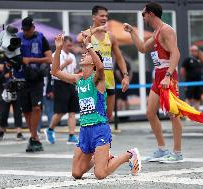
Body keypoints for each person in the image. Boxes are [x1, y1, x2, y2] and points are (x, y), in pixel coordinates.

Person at [52, 33, 141, 180]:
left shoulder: (98, 79)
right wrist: (58, 49)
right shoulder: (78, 79)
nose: (82, 54)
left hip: (99, 129)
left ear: (93, 61)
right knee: (76, 173)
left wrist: (88, 45)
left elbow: (100, 66)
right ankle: (104, 158)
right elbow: (55, 72)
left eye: (86, 54)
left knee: (100, 174)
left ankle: (129, 155)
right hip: (85, 130)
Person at [123, 2, 183, 163]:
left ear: (150, 13)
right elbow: (142, 48)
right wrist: (132, 32)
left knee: (173, 114)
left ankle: (177, 153)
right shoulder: (157, 32)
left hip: (167, 75)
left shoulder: (167, 30)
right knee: (150, 113)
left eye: (143, 14)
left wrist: (169, 75)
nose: (142, 16)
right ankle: (162, 149)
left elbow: (176, 53)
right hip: (158, 76)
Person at [77, 5, 130, 120]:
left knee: (108, 116)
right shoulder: (88, 33)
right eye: (101, 15)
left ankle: (104, 138)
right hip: (93, 80)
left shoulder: (110, 36)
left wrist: (125, 76)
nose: (104, 18)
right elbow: (78, 39)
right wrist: (95, 30)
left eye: (106, 16)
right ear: (93, 17)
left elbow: (120, 58)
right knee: (94, 115)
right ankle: (95, 137)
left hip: (109, 80)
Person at [17, 16, 52, 152]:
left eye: (28, 30)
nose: (26, 32)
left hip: (37, 78)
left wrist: (31, 60)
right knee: (26, 110)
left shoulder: (41, 38)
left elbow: (49, 58)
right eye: (24, 30)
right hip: (22, 78)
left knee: (36, 108)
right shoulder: (18, 38)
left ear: (33, 28)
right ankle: (34, 136)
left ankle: (33, 136)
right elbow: (11, 56)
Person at [46, 36, 79, 144]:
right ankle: (50, 129)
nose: (70, 47)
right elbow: (54, 71)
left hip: (71, 83)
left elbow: (74, 70)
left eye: (71, 45)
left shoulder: (73, 56)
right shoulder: (56, 54)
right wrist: (66, 63)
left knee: (72, 111)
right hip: (60, 83)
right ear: (63, 44)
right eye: (68, 45)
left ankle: (71, 134)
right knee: (60, 111)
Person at [0, 51, 25, 141]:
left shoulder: (20, 62)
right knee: (3, 111)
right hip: (6, 89)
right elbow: (2, 75)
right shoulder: (3, 60)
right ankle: (2, 130)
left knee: (18, 111)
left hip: (17, 88)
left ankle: (19, 132)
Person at [180, 45, 203, 110]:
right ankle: (187, 115)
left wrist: (199, 52)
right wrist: (188, 78)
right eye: (192, 50)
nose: (194, 52)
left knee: (197, 98)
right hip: (190, 82)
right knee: (188, 98)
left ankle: (197, 114)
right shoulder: (187, 60)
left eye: (195, 50)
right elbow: (182, 71)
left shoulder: (199, 59)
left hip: (198, 82)